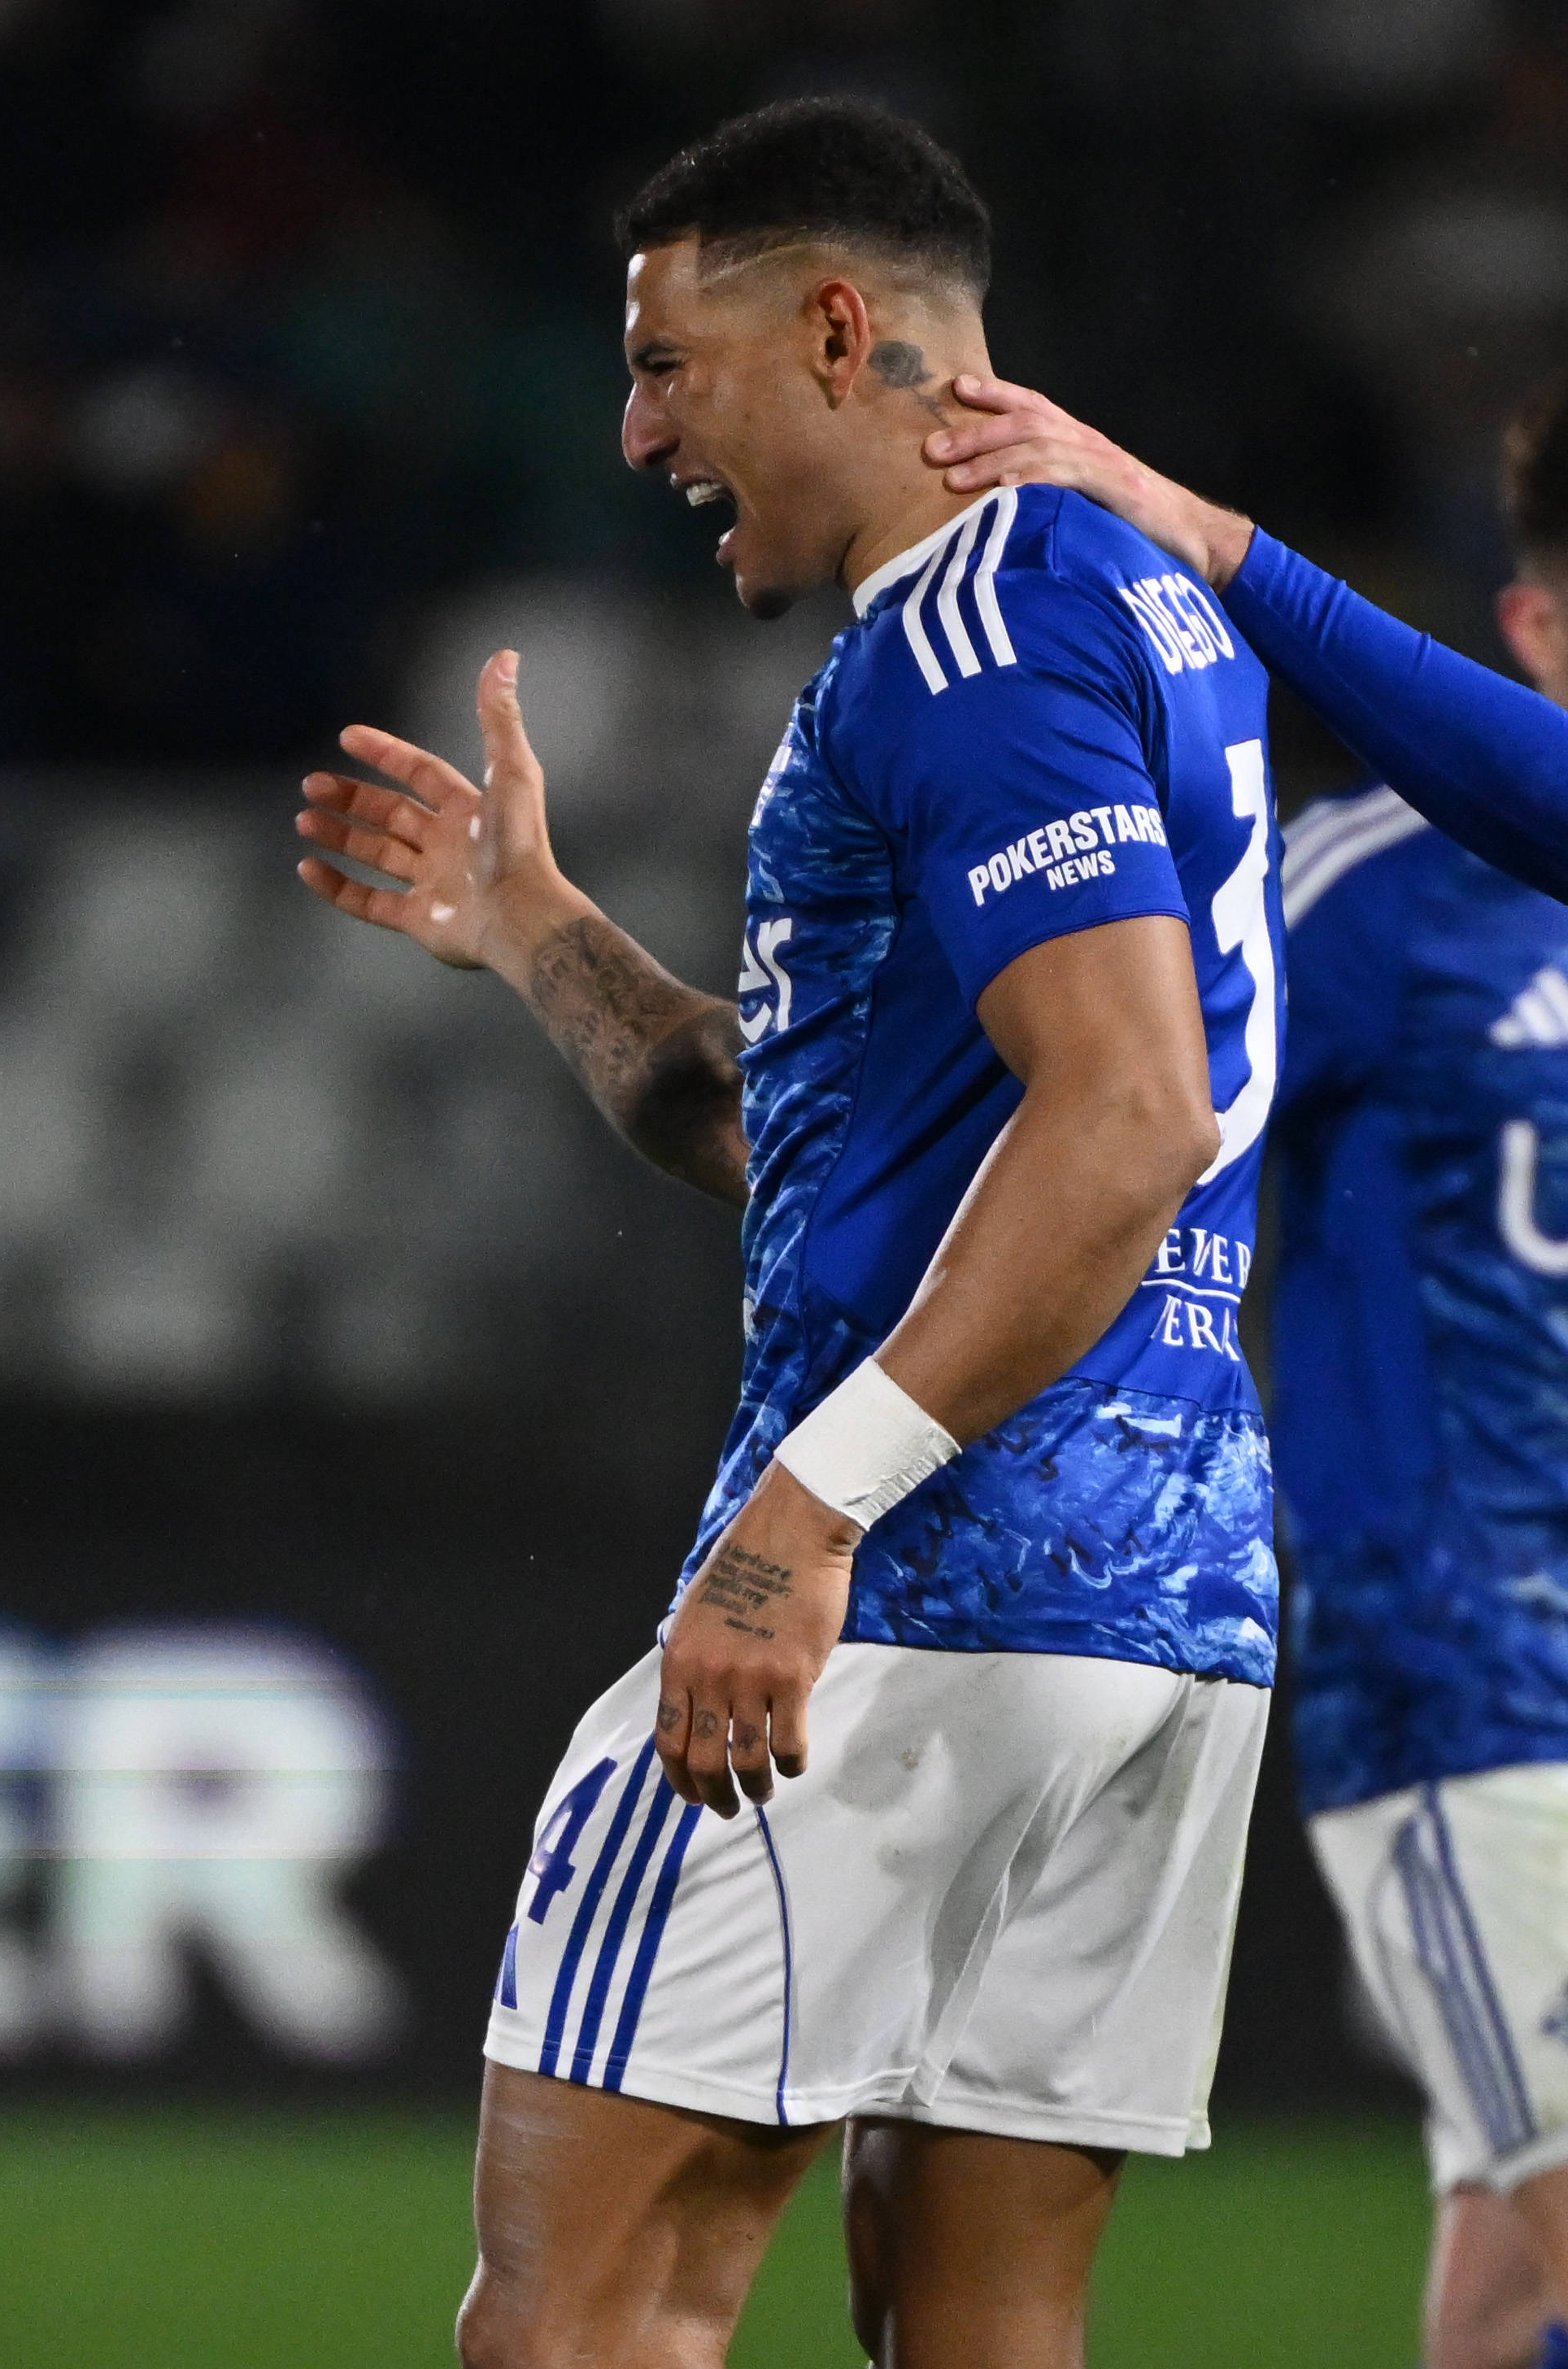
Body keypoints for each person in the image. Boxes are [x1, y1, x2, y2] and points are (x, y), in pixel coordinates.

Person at [296, 98, 1278, 2367]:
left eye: (666, 365)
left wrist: (803, 1514)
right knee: (979, 2327)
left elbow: (1127, 1111)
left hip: (908, 1595)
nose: (637, 432)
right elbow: (868, 1147)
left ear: (839, 332)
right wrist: (535, 932)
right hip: (1160, 1616)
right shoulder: (1128, 607)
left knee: (584, 2318)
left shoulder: (969, 635)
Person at [939, 373, 1568, 2369]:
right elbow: (1071, 1124)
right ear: (1529, 622)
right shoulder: (1361, 894)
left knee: (1510, 2263)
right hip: (1479, 1665)